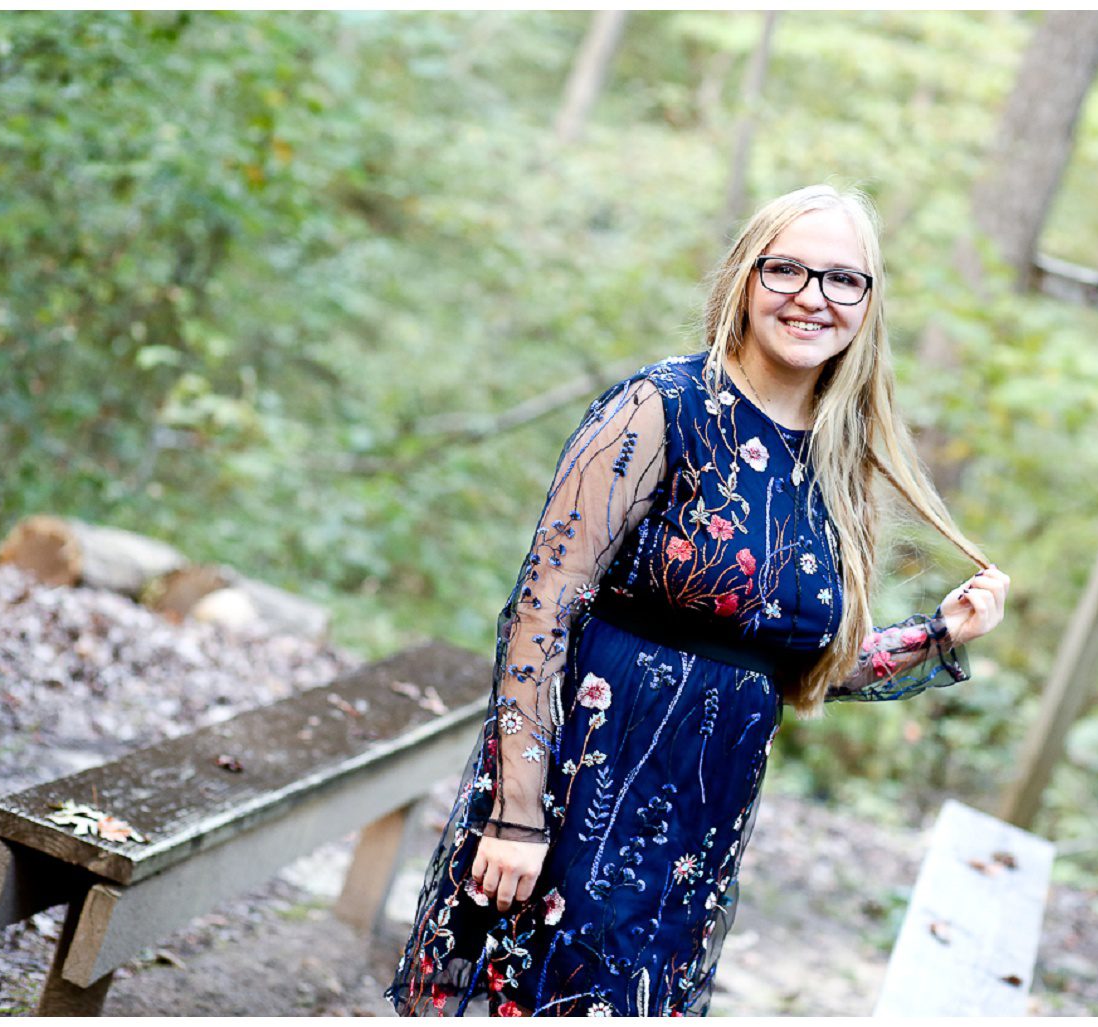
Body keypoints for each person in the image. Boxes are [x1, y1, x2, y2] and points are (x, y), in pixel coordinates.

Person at [388, 184, 1012, 1016]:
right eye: (787, 269)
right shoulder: (665, 407)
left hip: (700, 820)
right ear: (745, 279)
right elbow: (541, 609)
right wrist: (517, 812)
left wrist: (939, 634)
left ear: (869, 302)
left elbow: (801, 661)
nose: (811, 297)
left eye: (842, 279)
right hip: (585, 785)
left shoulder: (837, 461)